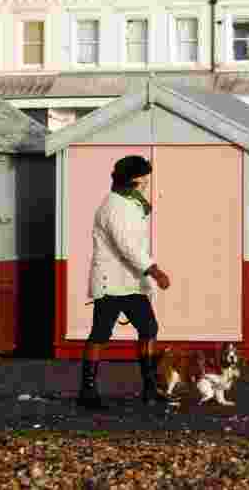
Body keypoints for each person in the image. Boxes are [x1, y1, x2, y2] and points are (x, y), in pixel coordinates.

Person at [77, 155, 173, 409]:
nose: (147, 183)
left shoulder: (130, 203)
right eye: (144, 179)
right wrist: (155, 271)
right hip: (111, 282)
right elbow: (127, 246)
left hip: (131, 281)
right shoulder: (114, 207)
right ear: (134, 180)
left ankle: (150, 389)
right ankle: (87, 391)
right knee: (100, 334)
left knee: (149, 328)